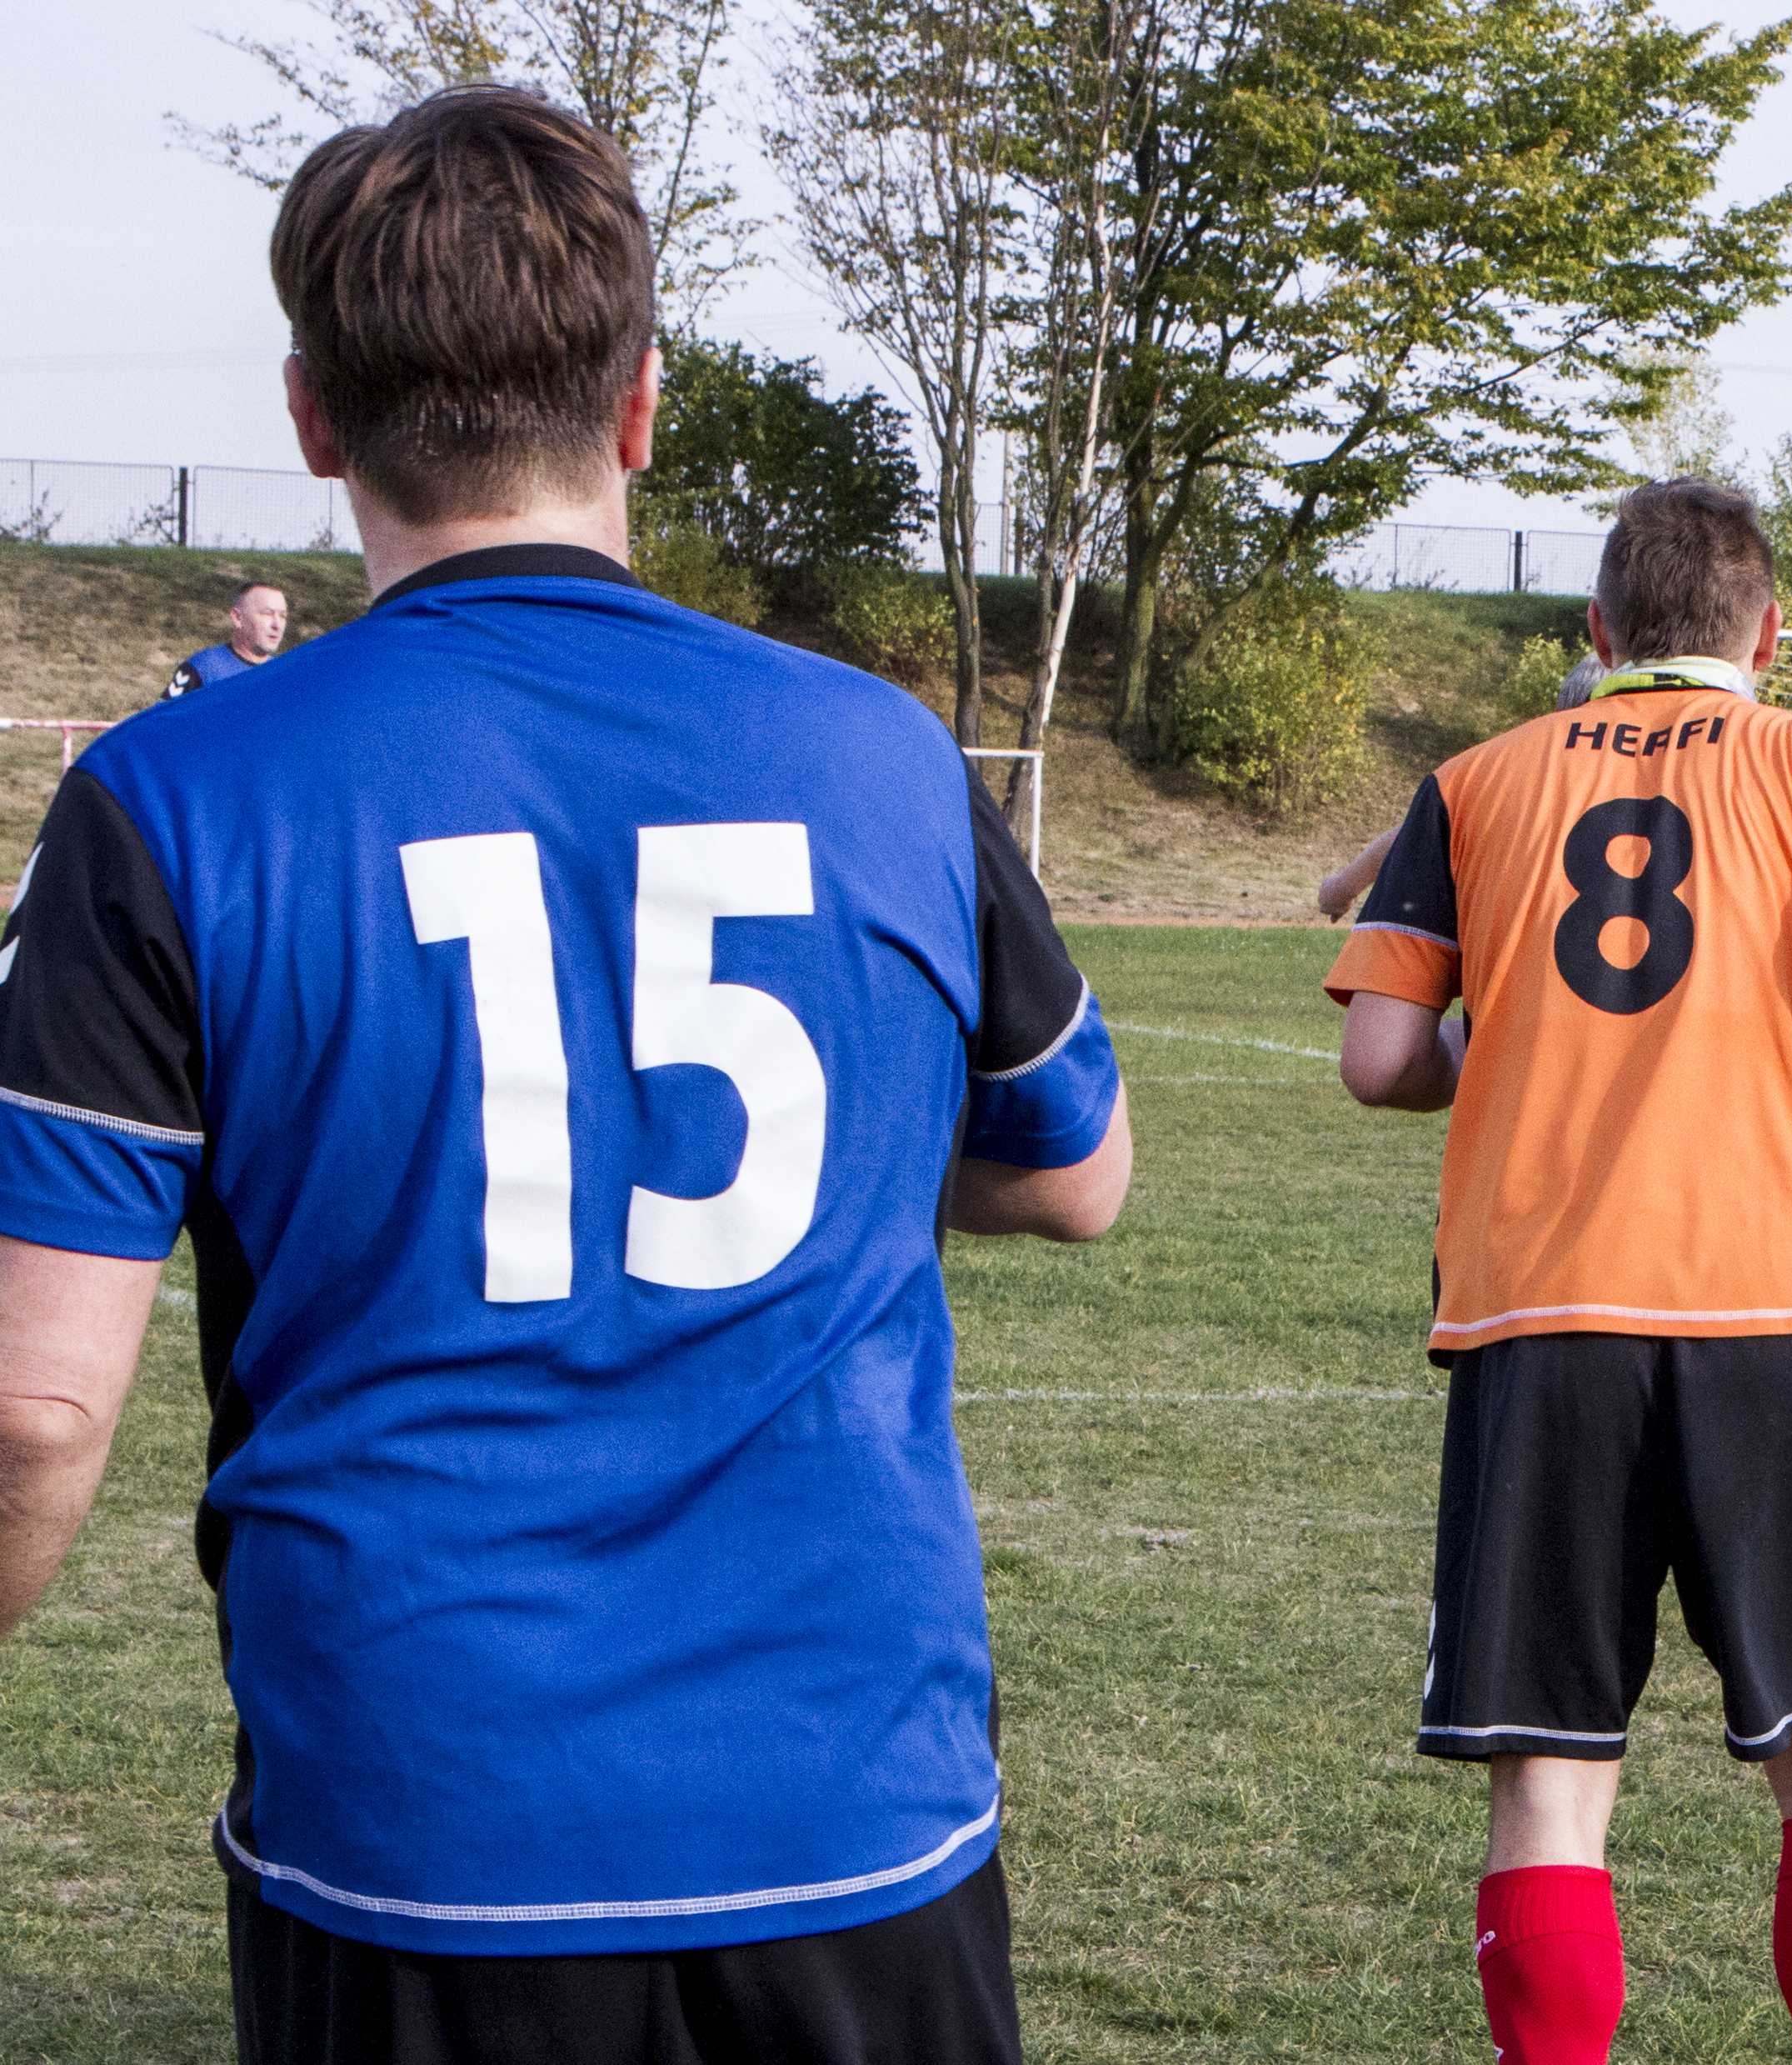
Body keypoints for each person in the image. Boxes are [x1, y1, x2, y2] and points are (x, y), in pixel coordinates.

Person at [0, 86, 1129, 2065]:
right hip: (852, 1807)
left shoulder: (174, 795)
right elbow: (1071, 1168)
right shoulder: (873, 753)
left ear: (313, 422)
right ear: (637, 406)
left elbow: (28, 1413)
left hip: (431, 1815)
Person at [1325, 478, 1792, 2065]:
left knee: (1550, 1780)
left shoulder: (1475, 780)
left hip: (1538, 1309)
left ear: (1593, 632)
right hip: (1766, 1298)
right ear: (1767, 633)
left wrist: (1481, 1052)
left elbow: (1376, 1059)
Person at [1315, 655, 1607, 919]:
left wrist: (1342, 887)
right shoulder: (1642, 780)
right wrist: (1343, 886)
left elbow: (1413, 837)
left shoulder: (1515, 779)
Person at [167, 580, 291, 698]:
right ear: (237, 618)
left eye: (283, 616)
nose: (277, 625)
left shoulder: (284, 674)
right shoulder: (202, 668)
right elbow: (160, 717)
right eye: (267, 613)